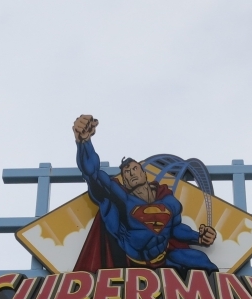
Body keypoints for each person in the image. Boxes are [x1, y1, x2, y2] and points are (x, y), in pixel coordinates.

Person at [71, 114, 218, 272]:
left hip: (164, 259)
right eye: (127, 172)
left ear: (144, 173)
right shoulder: (119, 199)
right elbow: (92, 174)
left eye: (135, 168)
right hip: (130, 266)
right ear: (124, 180)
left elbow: (175, 228)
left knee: (203, 262)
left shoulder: (168, 200)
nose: (131, 173)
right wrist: (84, 142)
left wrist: (199, 238)